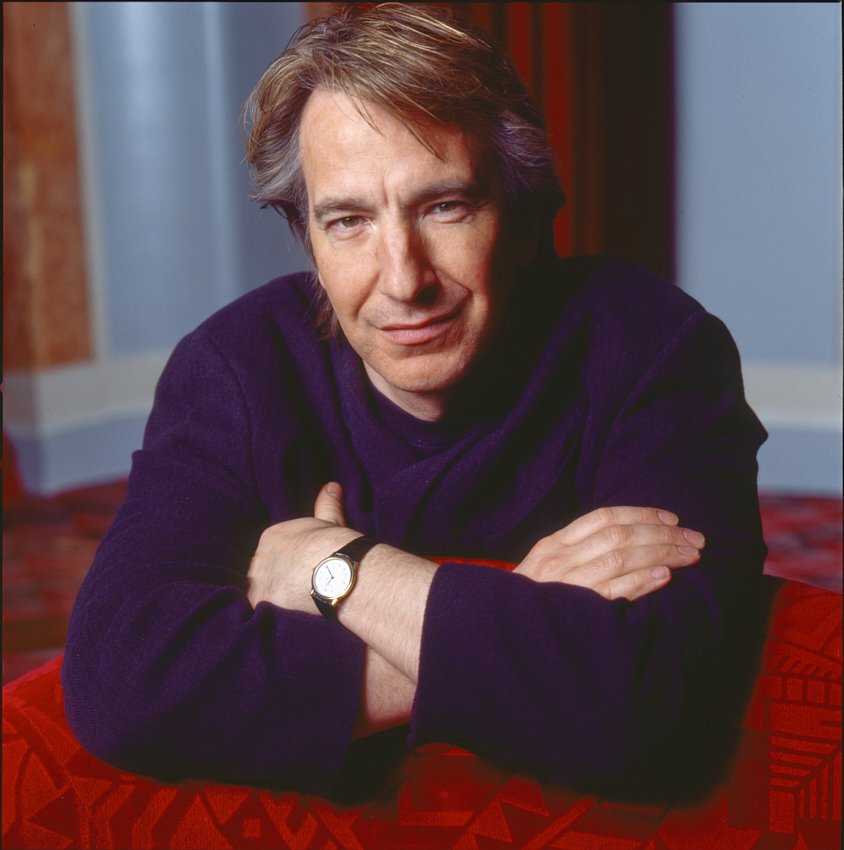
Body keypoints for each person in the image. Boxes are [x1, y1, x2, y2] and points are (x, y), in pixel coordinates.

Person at [62, 3, 767, 797]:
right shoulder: (235, 368)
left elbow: (642, 702)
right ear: (309, 241)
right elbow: (121, 682)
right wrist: (523, 618)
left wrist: (336, 570)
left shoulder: (654, 350)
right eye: (348, 221)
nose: (404, 279)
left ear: (522, 220)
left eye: (445, 206)